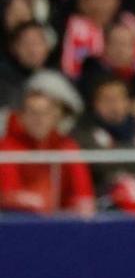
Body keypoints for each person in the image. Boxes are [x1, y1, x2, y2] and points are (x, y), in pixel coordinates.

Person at [0, 72, 94, 216]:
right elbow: (7, 194)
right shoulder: (6, 149)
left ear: (56, 116)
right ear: (22, 116)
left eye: (45, 113)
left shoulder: (67, 147)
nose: (39, 119)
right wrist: (34, 203)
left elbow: (83, 195)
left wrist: (79, 206)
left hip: (59, 225)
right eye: (33, 113)